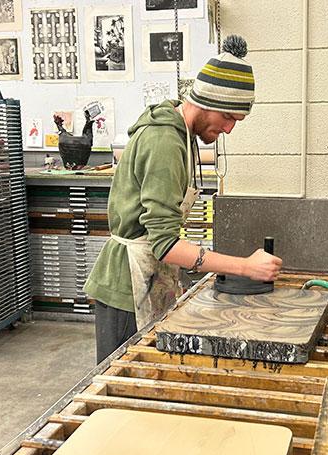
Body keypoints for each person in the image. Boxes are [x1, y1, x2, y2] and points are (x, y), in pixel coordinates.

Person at [84, 35, 282, 363]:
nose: (230, 129)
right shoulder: (164, 142)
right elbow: (165, 245)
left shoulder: (182, 135)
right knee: (126, 392)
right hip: (126, 291)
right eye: (229, 118)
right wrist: (244, 267)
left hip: (149, 275)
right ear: (207, 101)